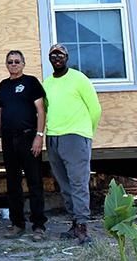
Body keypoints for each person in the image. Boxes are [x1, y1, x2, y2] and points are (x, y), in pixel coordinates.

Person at [43, 44, 102, 245]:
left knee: (78, 182)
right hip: (53, 137)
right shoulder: (47, 83)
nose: (56, 57)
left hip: (76, 137)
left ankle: (83, 227)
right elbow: (46, 110)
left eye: (60, 54)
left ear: (67, 57)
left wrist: (86, 133)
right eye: (53, 54)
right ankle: (74, 222)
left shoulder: (79, 78)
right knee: (64, 183)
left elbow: (95, 109)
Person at [0, 50, 48, 240]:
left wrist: (39, 136)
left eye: (17, 61)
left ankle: (38, 226)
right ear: (6, 65)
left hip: (28, 138)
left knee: (34, 183)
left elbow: (40, 110)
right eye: (10, 62)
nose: (13, 64)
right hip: (8, 140)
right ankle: (17, 224)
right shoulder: (3, 85)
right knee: (12, 183)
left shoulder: (31, 82)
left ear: (23, 63)